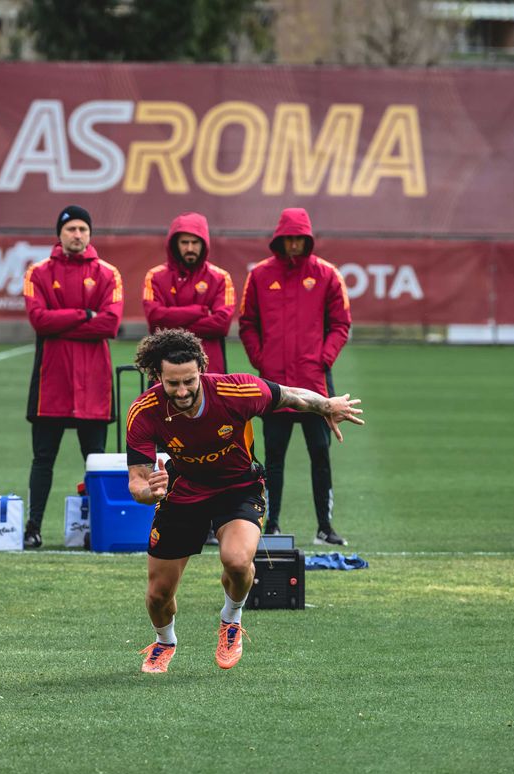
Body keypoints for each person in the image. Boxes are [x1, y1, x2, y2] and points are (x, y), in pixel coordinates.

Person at [125, 329, 364, 674]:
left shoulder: (236, 391)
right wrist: (151, 492)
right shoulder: (145, 410)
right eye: (173, 383)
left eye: (189, 381)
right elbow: (137, 482)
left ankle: (231, 619)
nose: (182, 391)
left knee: (237, 561)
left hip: (238, 487)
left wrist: (326, 405)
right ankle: (165, 642)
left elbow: (291, 396)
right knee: (158, 595)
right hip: (183, 491)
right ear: (157, 376)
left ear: (201, 370)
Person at [238, 207, 352, 546]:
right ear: (279, 239)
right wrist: (261, 360)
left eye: (299, 239)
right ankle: (271, 525)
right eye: (288, 239)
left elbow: (341, 324)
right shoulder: (260, 275)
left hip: (316, 383)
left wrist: (323, 360)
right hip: (275, 386)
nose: (293, 245)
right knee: (273, 458)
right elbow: (247, 323)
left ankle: (325, 528)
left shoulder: (327, 274)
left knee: (320, 454)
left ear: (308, 240)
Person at [22, 204, 123, 548]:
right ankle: (33, 527)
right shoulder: (38, 272)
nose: (77, 235)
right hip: (51, 382)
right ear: (60, 234)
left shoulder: (108, 273)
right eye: (71, 229)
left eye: (82, 229)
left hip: (94, 384)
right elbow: (39, 321)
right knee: (43, 458)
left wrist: (62, 321)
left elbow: (110, 324)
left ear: (90, 234)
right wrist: (85, 314)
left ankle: (100, 527)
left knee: (95, 460)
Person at [142, 212, 236, 373]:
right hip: (165, 369)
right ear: (175, 244)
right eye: (184, 242)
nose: (190, 248)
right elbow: (155, 319)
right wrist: (201, 311)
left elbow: (221, 324)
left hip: (210, 369)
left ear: (204, 244)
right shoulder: (155, 276)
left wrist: (171, 325)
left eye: (195, 242)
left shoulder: (220, 277)